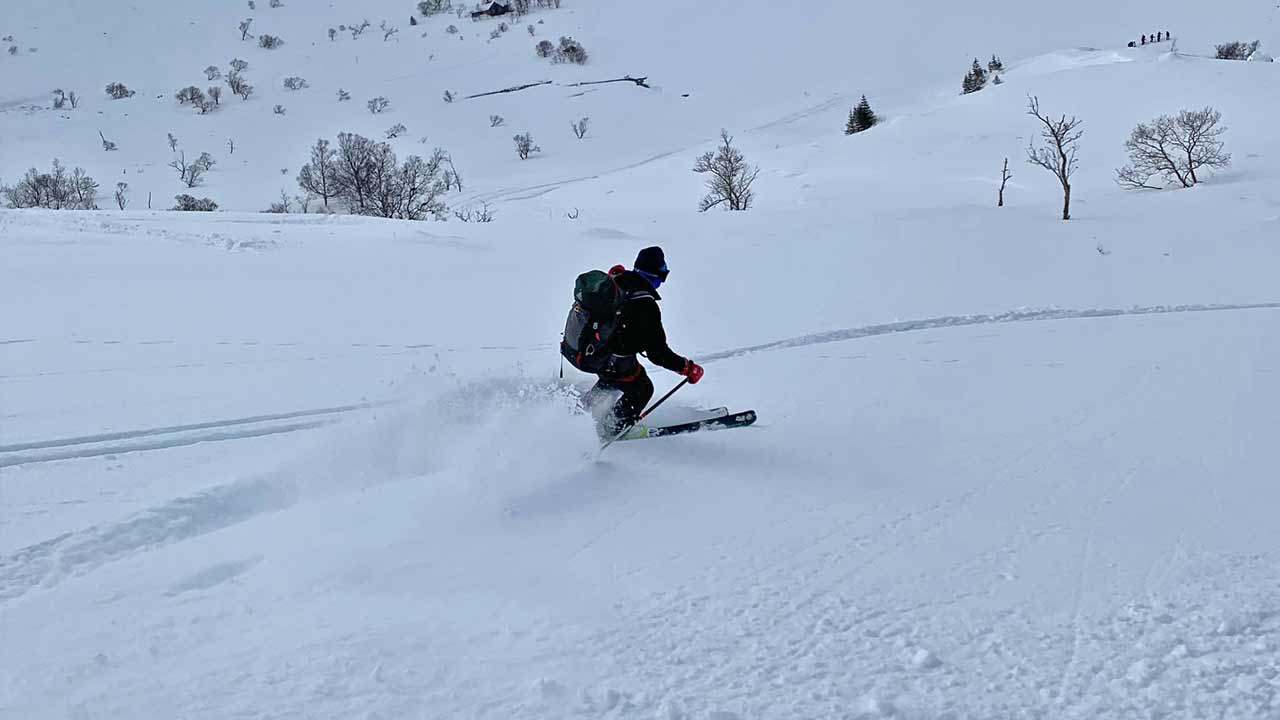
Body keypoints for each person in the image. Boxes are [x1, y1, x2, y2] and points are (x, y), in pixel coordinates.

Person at [581, 246, 704, 437]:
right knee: (642, 388)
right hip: (608, 356)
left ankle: (582, 410)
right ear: (656, 276)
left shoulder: (617, 281)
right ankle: (612, 428)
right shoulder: (646, 306)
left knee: (616, 376)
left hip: (590, 351)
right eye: (663, 276)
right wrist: (686, 368)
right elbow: (658, 353)